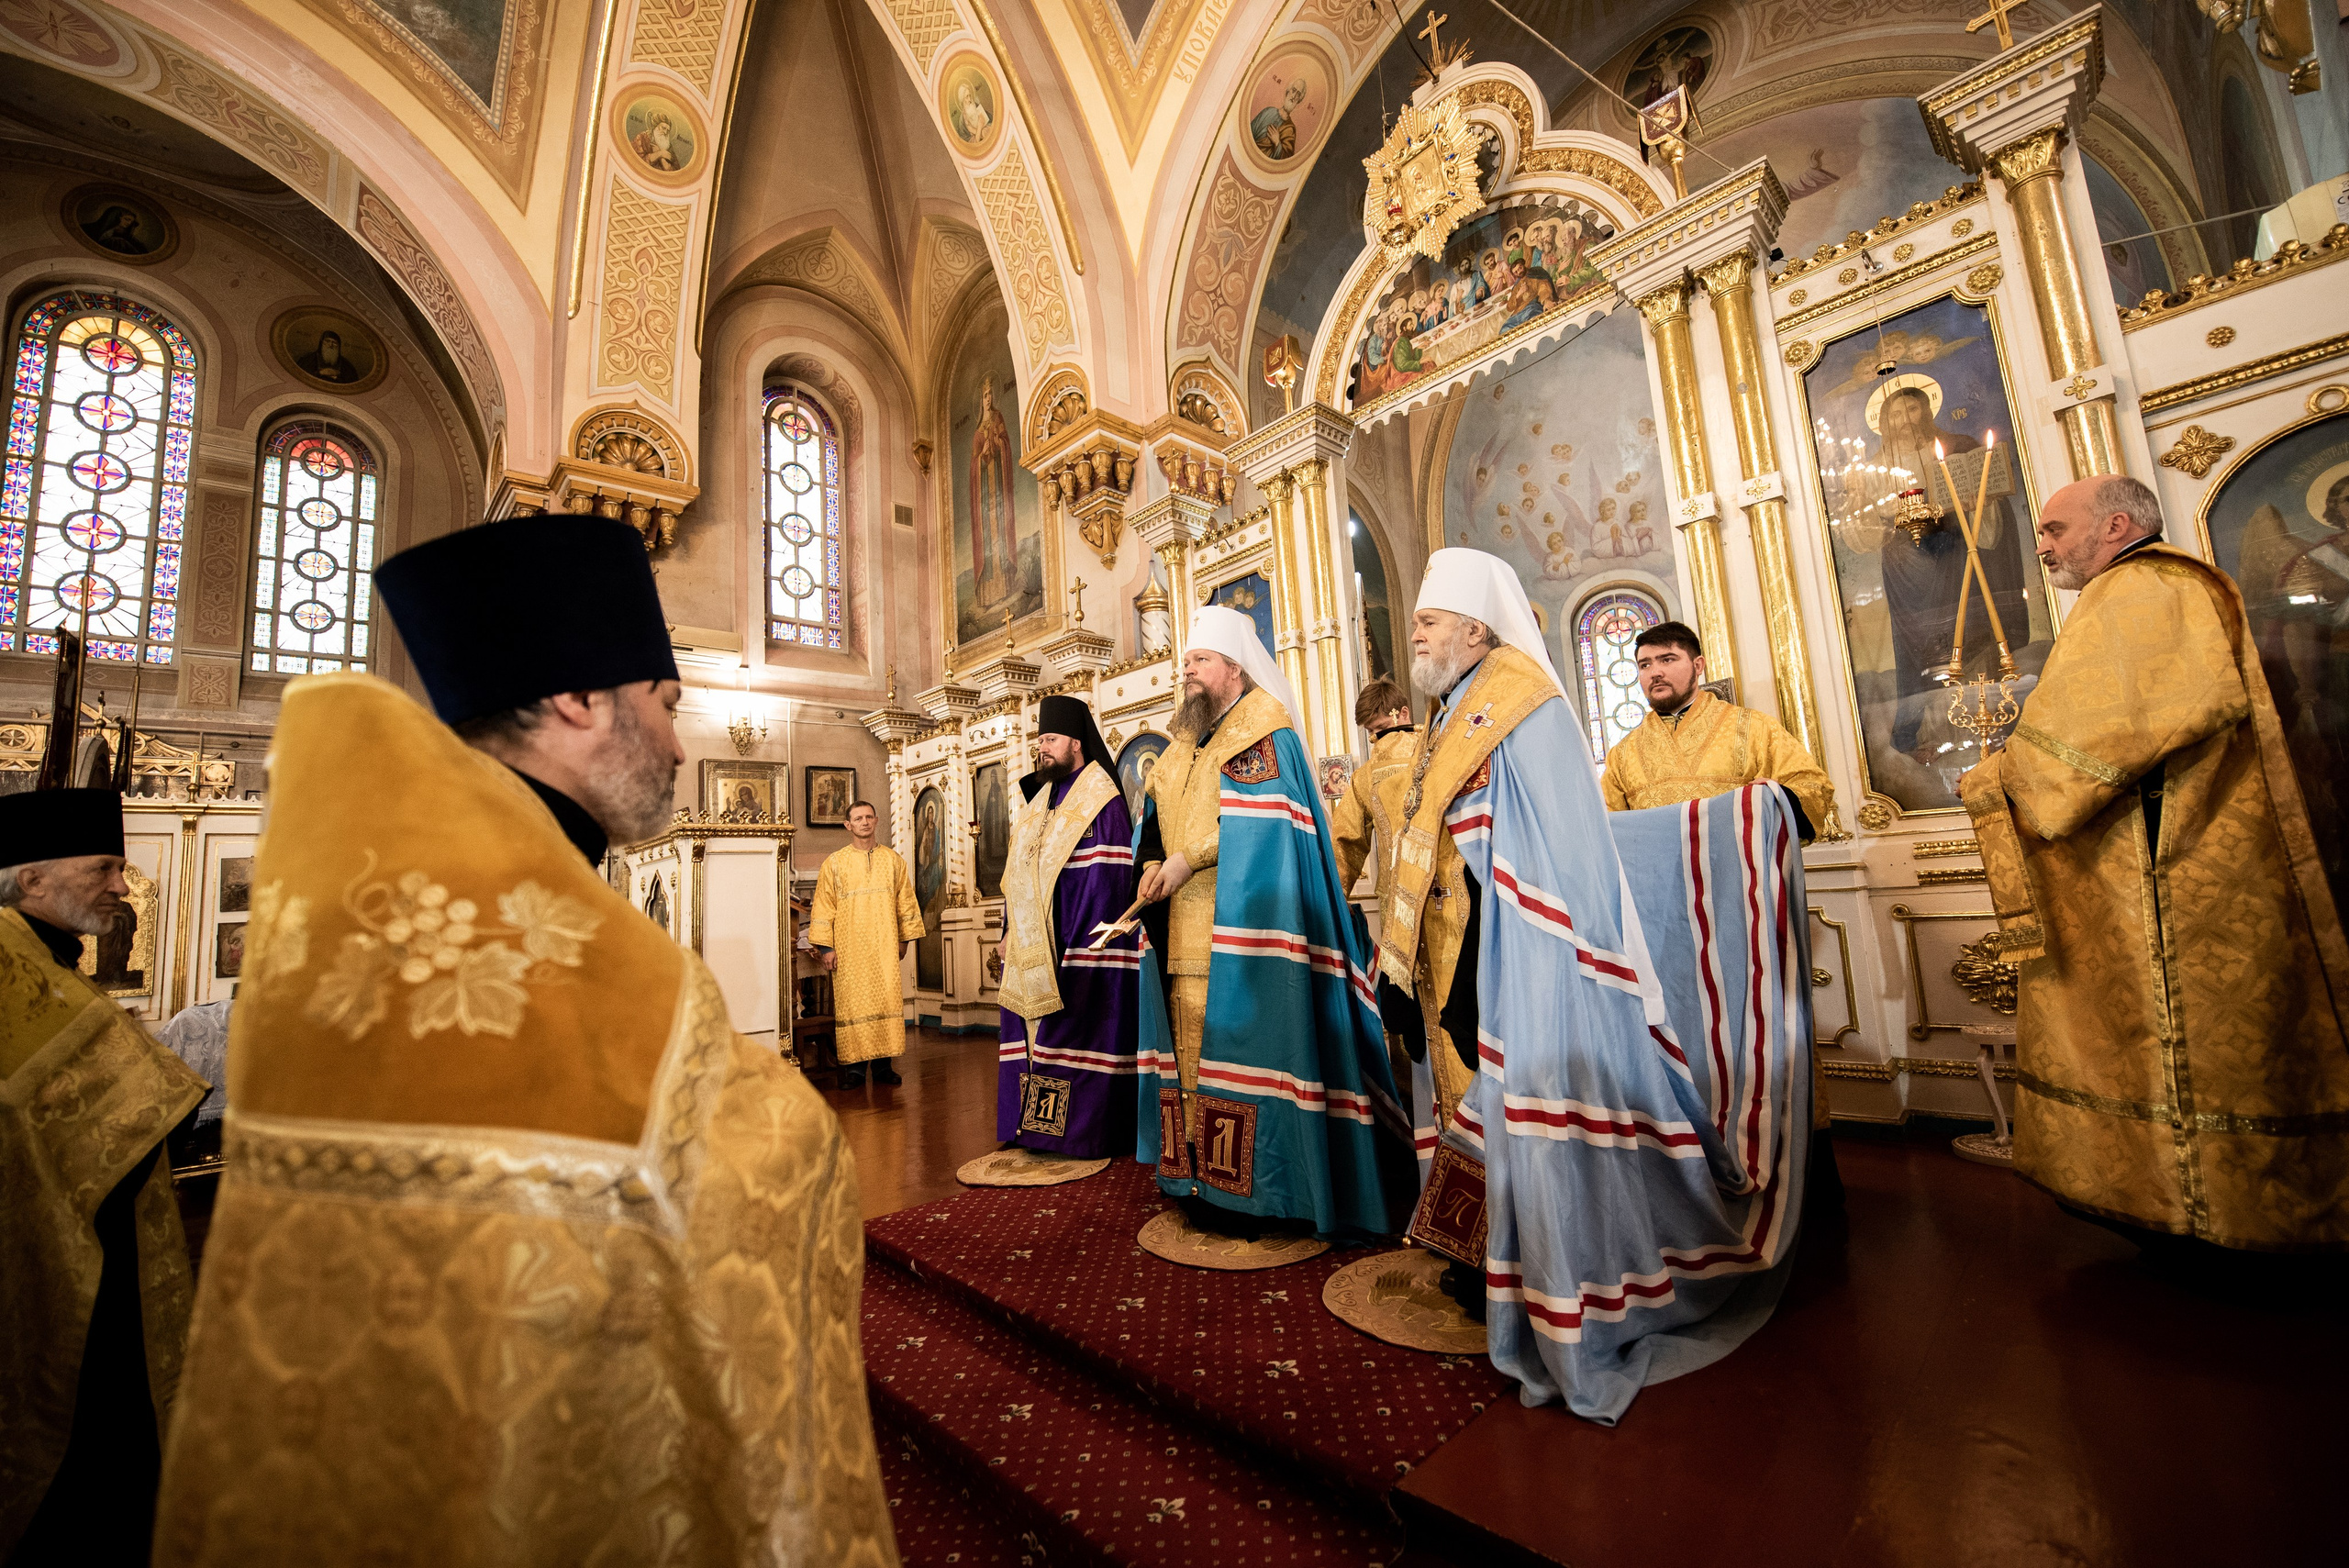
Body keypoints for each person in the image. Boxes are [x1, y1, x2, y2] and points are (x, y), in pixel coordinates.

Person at [154, 515, 898, 1562]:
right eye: (669, 704)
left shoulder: (376, 901)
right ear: (578, 698)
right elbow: (769, 1168)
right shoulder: (545, 941)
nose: (684, 743)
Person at [1391, 550, 1810, 1421]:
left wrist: (1515, 942)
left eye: (1431, 620)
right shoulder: (1457, 707)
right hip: (1471, 938)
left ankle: (1568, 1287)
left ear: (1476, 627)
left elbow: (1560, 846)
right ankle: (1499, 1264)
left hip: (1529, 944)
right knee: (1494, 1107)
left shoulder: (1521, 699)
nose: (1417, 631)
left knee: (1538, 1102)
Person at [1960, 475, 2349, 1253]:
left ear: (2112, 526)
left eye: (2055, 528)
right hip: (2185, 852)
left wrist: (1994, 776)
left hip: (2174, 866)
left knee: (2193, 1046)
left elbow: (2088, 743)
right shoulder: (2160, 586)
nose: (2042, 546)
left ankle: (2207, 1210)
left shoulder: (2140, 589)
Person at [1131, 606, 1413, 1240]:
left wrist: (1187, 858)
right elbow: (1151, 820)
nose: (1189, 672)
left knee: (1237, 1062)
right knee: (1188, 1062)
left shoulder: (1266, 731)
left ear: (1233, 667)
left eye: (1199, 661)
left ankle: (1250, 1193)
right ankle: (1194, 1179)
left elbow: (1265, 830)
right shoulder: (1177, 746)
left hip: (1243, 939)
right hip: (1179, 936)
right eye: (1186, 662)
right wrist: (1151, 858)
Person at [2, 788, 207, 1562]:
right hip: (56, 1256)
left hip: (90, 1236)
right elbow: (143, 1095)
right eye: (105, 867)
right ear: (31, 881)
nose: (122, 886)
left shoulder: (45, 957)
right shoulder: (8, 959)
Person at [1599, 618, 1842, 1201]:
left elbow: (1811, 789)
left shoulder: (1750, 730)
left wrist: (1759, 807)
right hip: (1665, 933)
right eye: (1644, 664)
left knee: (1766, 1035)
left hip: (1744, 922)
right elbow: (1606, 835)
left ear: (1696, 666)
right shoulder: (1626, 756)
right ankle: (1694, 1188)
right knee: (1685, 1043)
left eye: (1667, 660)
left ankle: (1797, 1188)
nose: (1654, 672)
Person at [994, 695, 1141, 1155]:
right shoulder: (1038, 801)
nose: (1043, 749)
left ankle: (1070, 1133)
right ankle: (1028, 1128)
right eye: (1040, 741)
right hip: (1031, 946)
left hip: (1080, 947)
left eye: (1051, 740)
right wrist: (1008, 931)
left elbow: (1104, 884)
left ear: (1077, 743)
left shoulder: (1103, 800)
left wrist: (1077, 946)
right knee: (1029, 1037)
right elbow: (1018, 875)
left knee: (1074, 1035)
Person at [810, 799, 924, 1088]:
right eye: (858, 818)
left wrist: (904, 940)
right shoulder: (834, 863)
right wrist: (827, 948)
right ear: (847, 825)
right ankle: (856, 1070)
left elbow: (906, 902)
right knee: (853, 1006)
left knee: (886, 999)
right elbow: (824, 906)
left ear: (876, 821)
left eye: (869, 817)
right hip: (849, 949)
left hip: (885, 946)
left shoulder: (893, 861)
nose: (864, 822)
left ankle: (884, 1068)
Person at [1328, 676, 1416, 899]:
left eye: (1383, 729)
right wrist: (1337, 897)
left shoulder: (1439, 753)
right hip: (1394, 892)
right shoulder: (1364, 777)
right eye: (1371, 732)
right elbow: (1346, 842)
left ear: (1403, 714)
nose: (1378, 739)